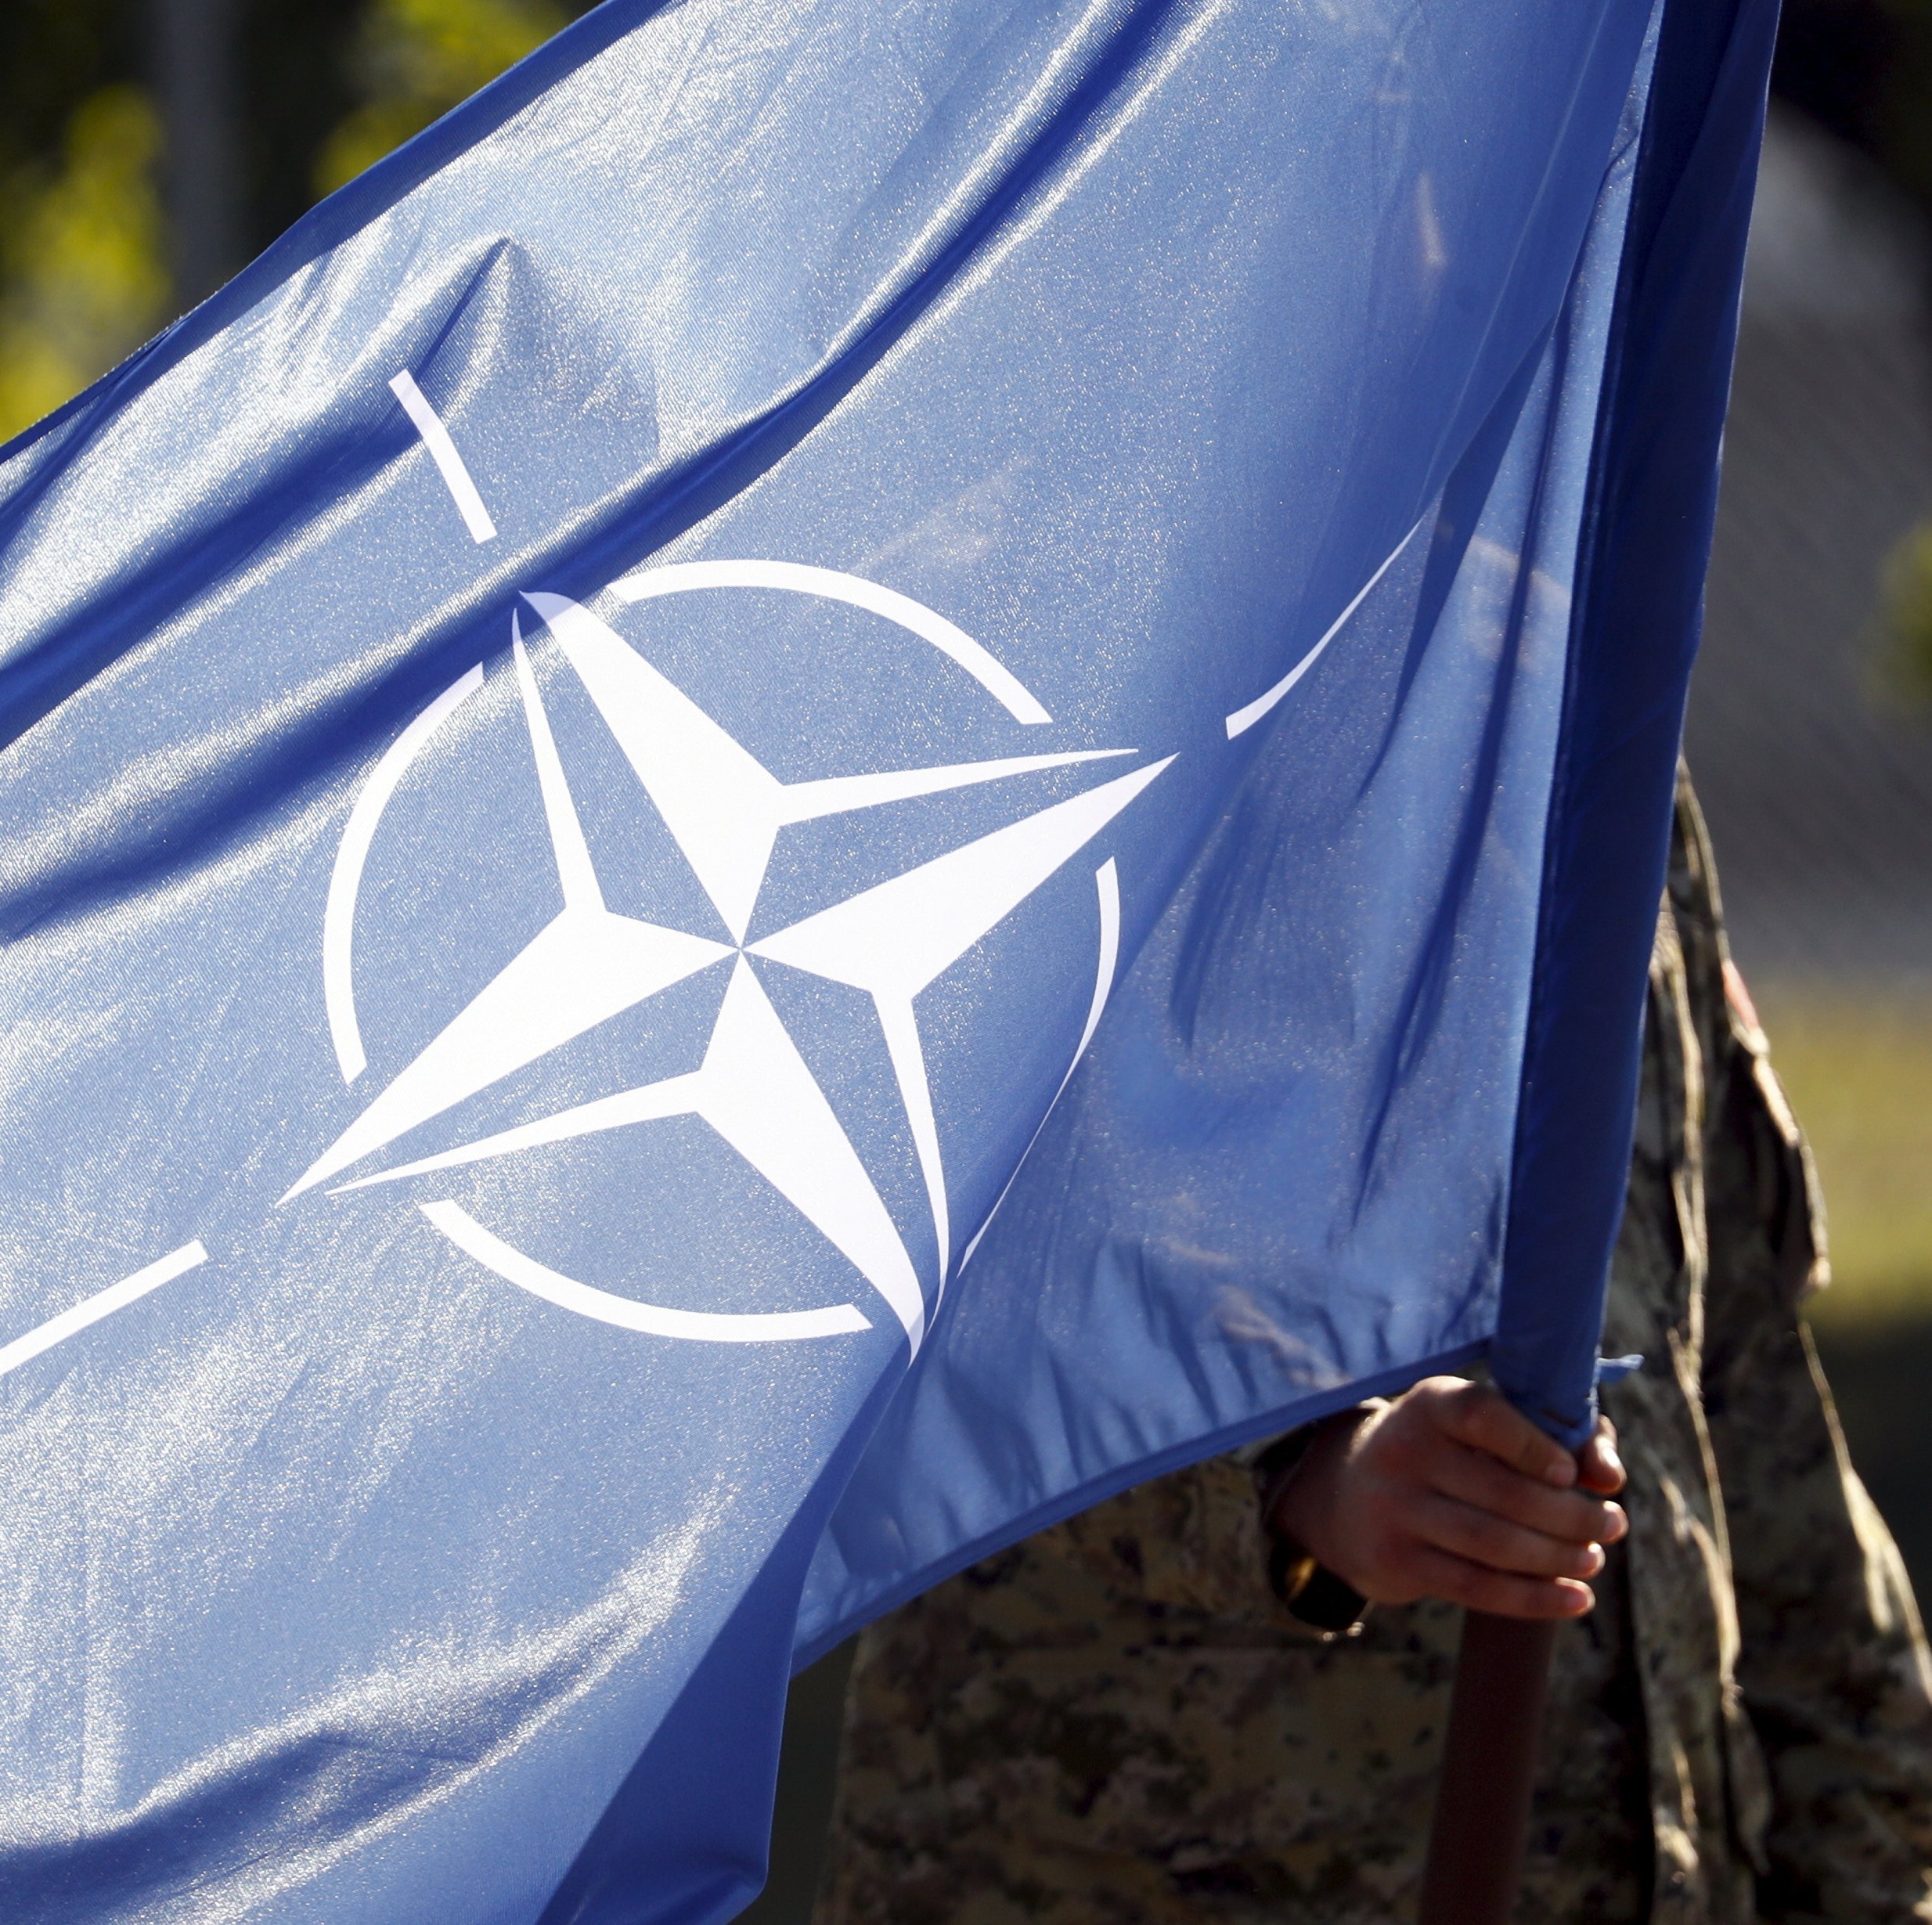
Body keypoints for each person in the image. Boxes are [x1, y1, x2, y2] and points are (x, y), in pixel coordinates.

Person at [821, 777, 1932, 1923]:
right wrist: (1299, 1490)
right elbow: (907, 1297)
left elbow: (1745, 1405)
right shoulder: (1088, 688)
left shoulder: (1601, 678)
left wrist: (1878, 1874)